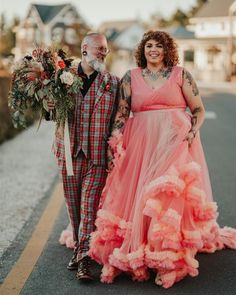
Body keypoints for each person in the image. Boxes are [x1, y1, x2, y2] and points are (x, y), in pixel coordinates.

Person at [88, 30, 236, 288]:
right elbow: (122, 114)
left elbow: (198, 110)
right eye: (148, 46)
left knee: (166, 197)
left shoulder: (181, 75)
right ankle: (142, 247)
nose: (153, 50)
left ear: (167, 50)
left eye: (158, 46)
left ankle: (166, 257)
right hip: (140, 144)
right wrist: (115, 141)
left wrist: (192, 130)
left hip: (174, 141)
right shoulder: (130, 77)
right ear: (142, 51)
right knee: (141, 195)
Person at [48, 33, 120, 282]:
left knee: (89, 208)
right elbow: (51, 114)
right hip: (68, 153)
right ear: (84, 49)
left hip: (97, 156)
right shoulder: (60, 78)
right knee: (74, 208)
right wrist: (49, 108)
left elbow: (118, 121)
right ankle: (80, 248)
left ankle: (84, 260)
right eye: (99, 48)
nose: (103, 53)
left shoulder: (113, 83)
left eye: (106, 49)